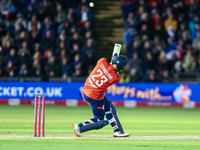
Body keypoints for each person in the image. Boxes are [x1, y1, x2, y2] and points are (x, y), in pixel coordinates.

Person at [72, 55, 130, 137]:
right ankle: (79, 127)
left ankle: (117, 131)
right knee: (99, 120)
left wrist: (112, 60)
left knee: (109, 108)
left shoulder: (102, 61)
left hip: (86, 90)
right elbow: (114, 72)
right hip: (95, 96)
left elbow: (106, 65)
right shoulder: (116, 77)